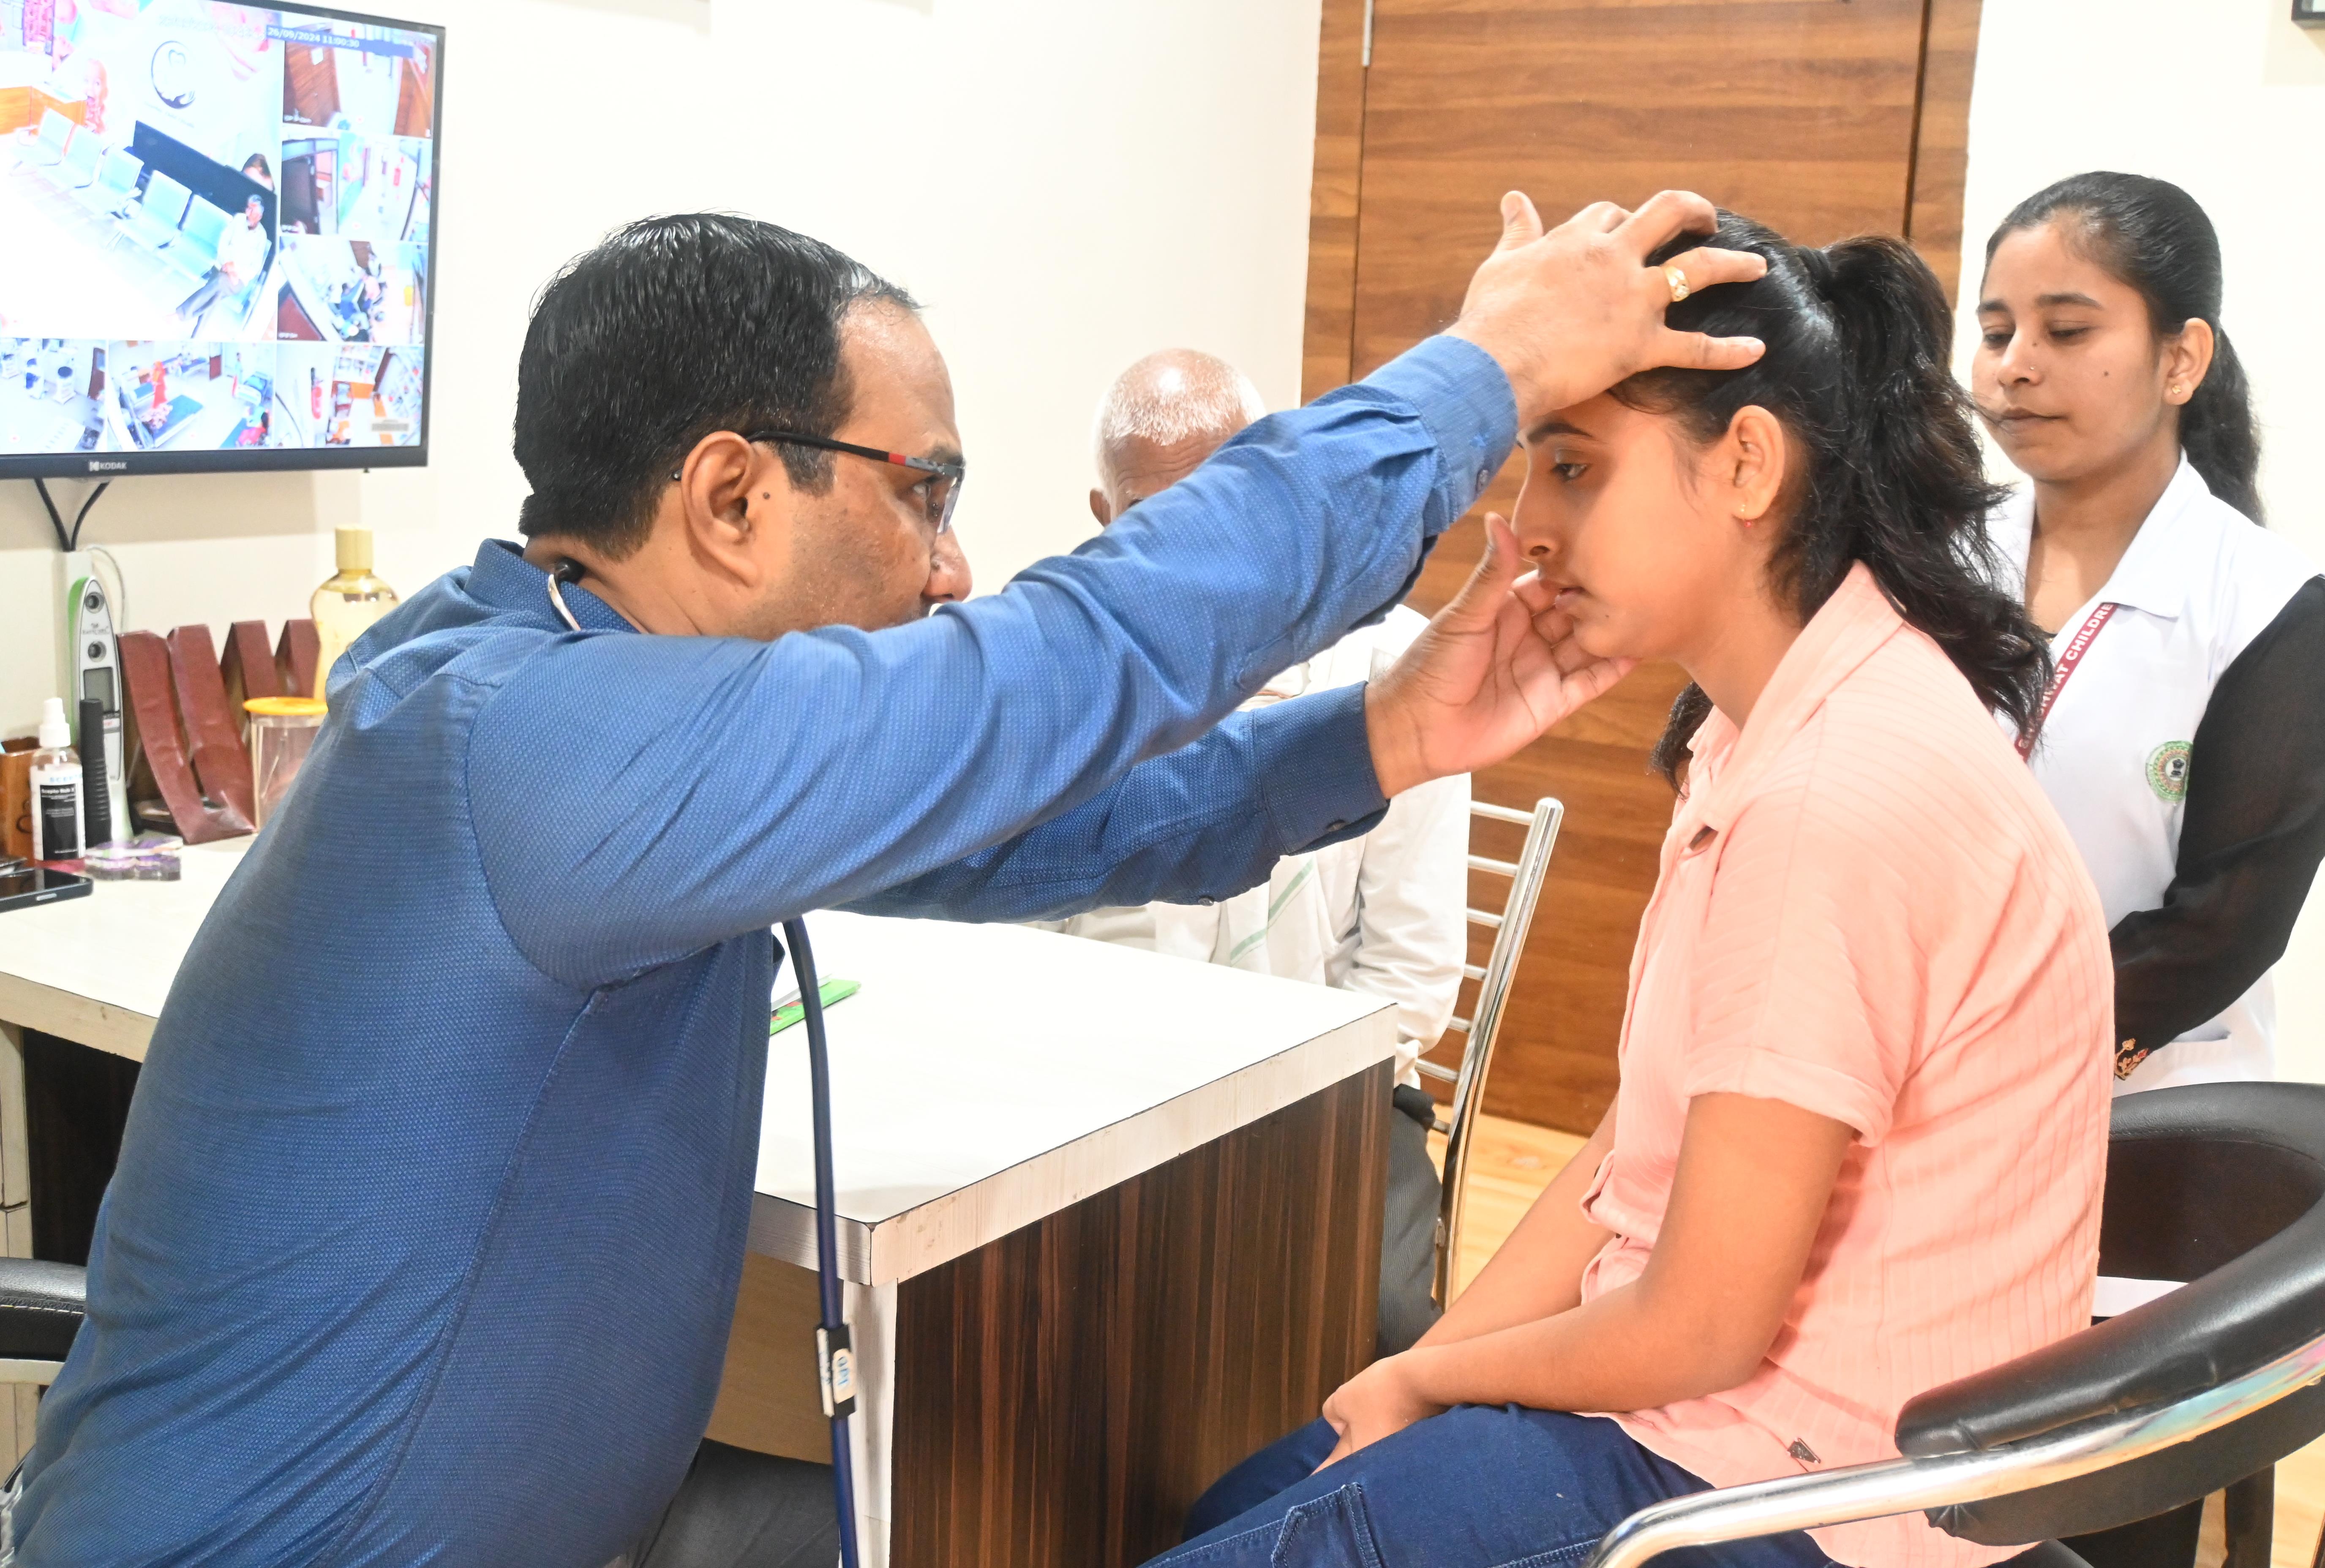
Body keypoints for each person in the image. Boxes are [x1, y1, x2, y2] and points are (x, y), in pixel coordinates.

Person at [7, 198, 1769, 1567]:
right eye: (924, 492)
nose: (952, 565)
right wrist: (1479, 375)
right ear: (728, 496)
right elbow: (1073, 657)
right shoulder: (530, 747)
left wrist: (1373, 736)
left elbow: (1032, 821)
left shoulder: (544, 673)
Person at [1145, 215, 2112, 1568]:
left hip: (1788, 1494)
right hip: (1716, 1421)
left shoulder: (1832, 789)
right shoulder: (1765, 726)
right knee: (1239, 1503)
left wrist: (1429, 1380)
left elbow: (1702, 1325)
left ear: (1747, 463)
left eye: (1573, 467)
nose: (1526, 530)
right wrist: (1425, 1373)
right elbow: (1632, 1155)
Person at [1971, 171, 2325, 1568]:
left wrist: (1969, 1038)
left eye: (2066, 330)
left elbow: (2221, 929)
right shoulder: (1934, 560)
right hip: (1912, 1134)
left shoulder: (2271, 613)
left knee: (2092, 1522)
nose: (2015, 365)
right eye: (1995, 329)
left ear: (2181, 358)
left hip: (2136, 1144)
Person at [1058, 348, 1471, 1357]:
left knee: (1370, 1318)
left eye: (1226, 508)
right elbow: (1037, 943)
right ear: (1106, 519)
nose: (1199, 555)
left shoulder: (1397, 673)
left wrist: (1261, 1105)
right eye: (1158, 519)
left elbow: (1410, 980)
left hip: (1331, 1096)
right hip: (1107, 1091)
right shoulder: (1064, 673)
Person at [173, 195, 270, 331]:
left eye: (252, 210)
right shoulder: (239, 219)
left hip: (239, 280)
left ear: (259, 216)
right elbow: (223, 243)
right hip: (221, 267)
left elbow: (255, 268)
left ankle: (180, 315)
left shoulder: (262, 236)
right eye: (247, 208)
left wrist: (236, 271)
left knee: (219, 283)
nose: (247, 212)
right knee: (216, 293)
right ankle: (197, 335)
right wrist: (228, 266)